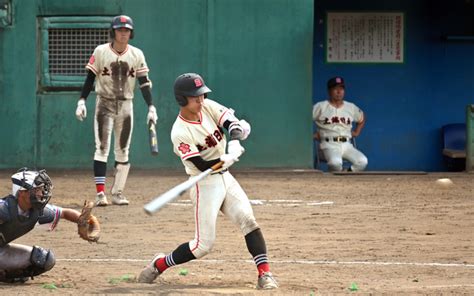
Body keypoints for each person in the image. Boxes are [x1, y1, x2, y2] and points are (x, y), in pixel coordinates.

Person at [137, 73, 278, 290]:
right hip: (204, 185)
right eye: (195, 97)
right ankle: (160, 264)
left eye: (202, 95)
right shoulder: (180, 132)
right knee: (202, 246)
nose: (200, 100)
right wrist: (222, 160)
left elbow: (231, 123)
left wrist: (236, 140)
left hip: (226, 179)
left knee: (248, 221)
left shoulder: (208, 106)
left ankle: (264, 274)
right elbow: (201, 165)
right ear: (182, 99)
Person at [75, 15, 158, 206]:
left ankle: (118, 193)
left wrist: (151, 106)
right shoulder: (101, 51)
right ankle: (100, 194)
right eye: (120, 30)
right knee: (102, 148)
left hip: (126, 104)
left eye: (126, 30)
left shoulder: (137, 54)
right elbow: (89, 78)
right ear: (113, 32)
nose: (123, 33)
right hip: (104, 103)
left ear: (131, 32)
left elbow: (144, 83)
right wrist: (81, 101)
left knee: (123, 150)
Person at [0, 168, 95, 283]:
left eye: (40, 189)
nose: (41, 194)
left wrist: (85, 222)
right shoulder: (4, 209)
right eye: (36, 190)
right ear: (22, 193)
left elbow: (64, 213)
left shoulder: (35, 211)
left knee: (43, 259)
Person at [312, 76, 368, 172]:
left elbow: (362, 118)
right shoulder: (320, 106)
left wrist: (357, 132)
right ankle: (338, 180)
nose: (339, 92)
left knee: (362, 161)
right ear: (329, 91)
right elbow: (303, 120)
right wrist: (311, 134)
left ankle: (346, 173)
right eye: (335, 89)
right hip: (329, 144)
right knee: (335, 163)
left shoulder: (351, 107)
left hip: (346, 144)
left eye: (341, 89)